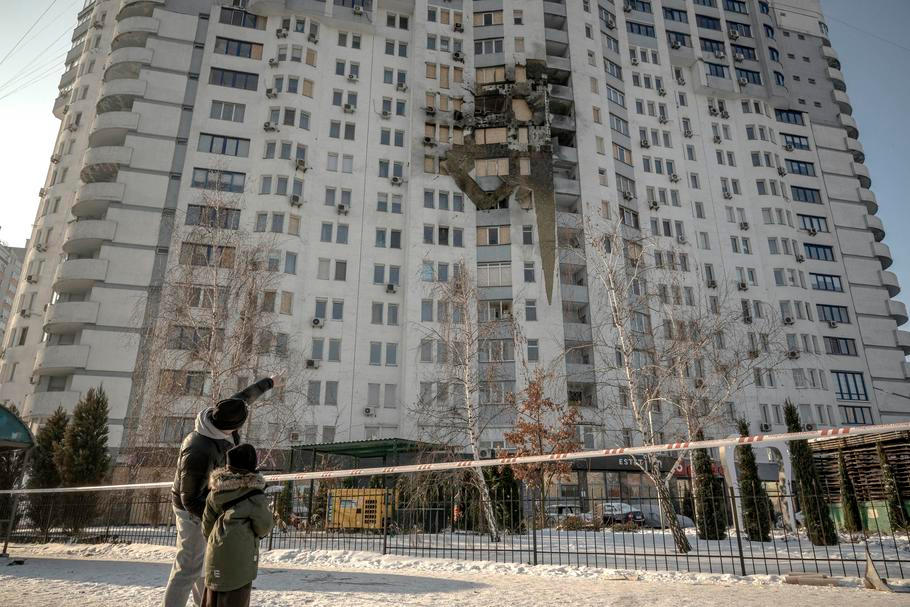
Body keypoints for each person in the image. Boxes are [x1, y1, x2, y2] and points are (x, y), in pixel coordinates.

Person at [163, 378, 274, 607]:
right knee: (188, 565)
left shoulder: (223, 414)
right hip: (191, 510)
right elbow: (189, 498)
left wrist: (268, 383)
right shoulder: (198, 450)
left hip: (211, 501)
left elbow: (244, 398)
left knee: (205, 563)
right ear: (229, 427)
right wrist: (216, 514)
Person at [200, 444, 274, 607]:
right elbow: (264, 526)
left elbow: (206, 527)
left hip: (215, 555)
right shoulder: (254, 495)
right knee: (235, 598)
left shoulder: (215, 491)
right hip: (240, 560)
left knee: (212, 597)